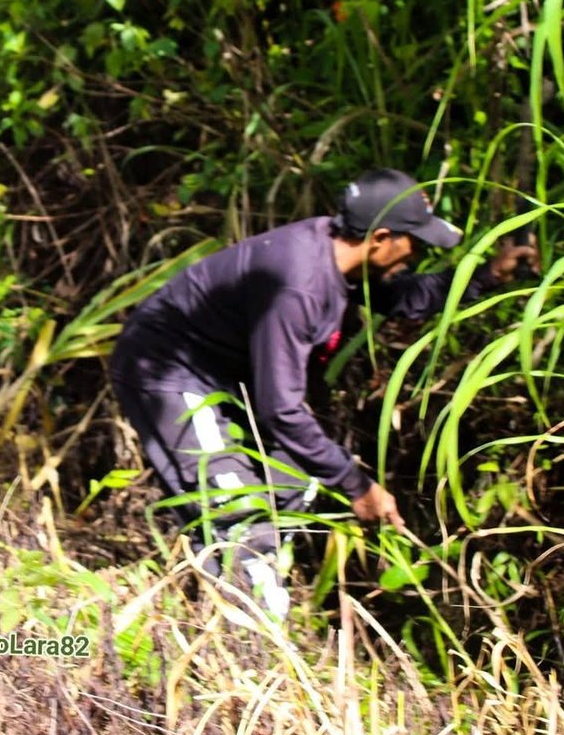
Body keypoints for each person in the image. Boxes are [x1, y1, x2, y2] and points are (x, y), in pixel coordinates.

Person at [108, 168, 539, 621]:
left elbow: (404, 298)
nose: (417, 256)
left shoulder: (337, 255)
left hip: (226, 373)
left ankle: (240, 584)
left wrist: (489, 274)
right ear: (381, 238)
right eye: (416, 244)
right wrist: (359, 487)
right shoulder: (297, 285)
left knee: (298, 476)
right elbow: (281, 410)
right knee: (237, 509)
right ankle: (249, 639)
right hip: (169, 371)